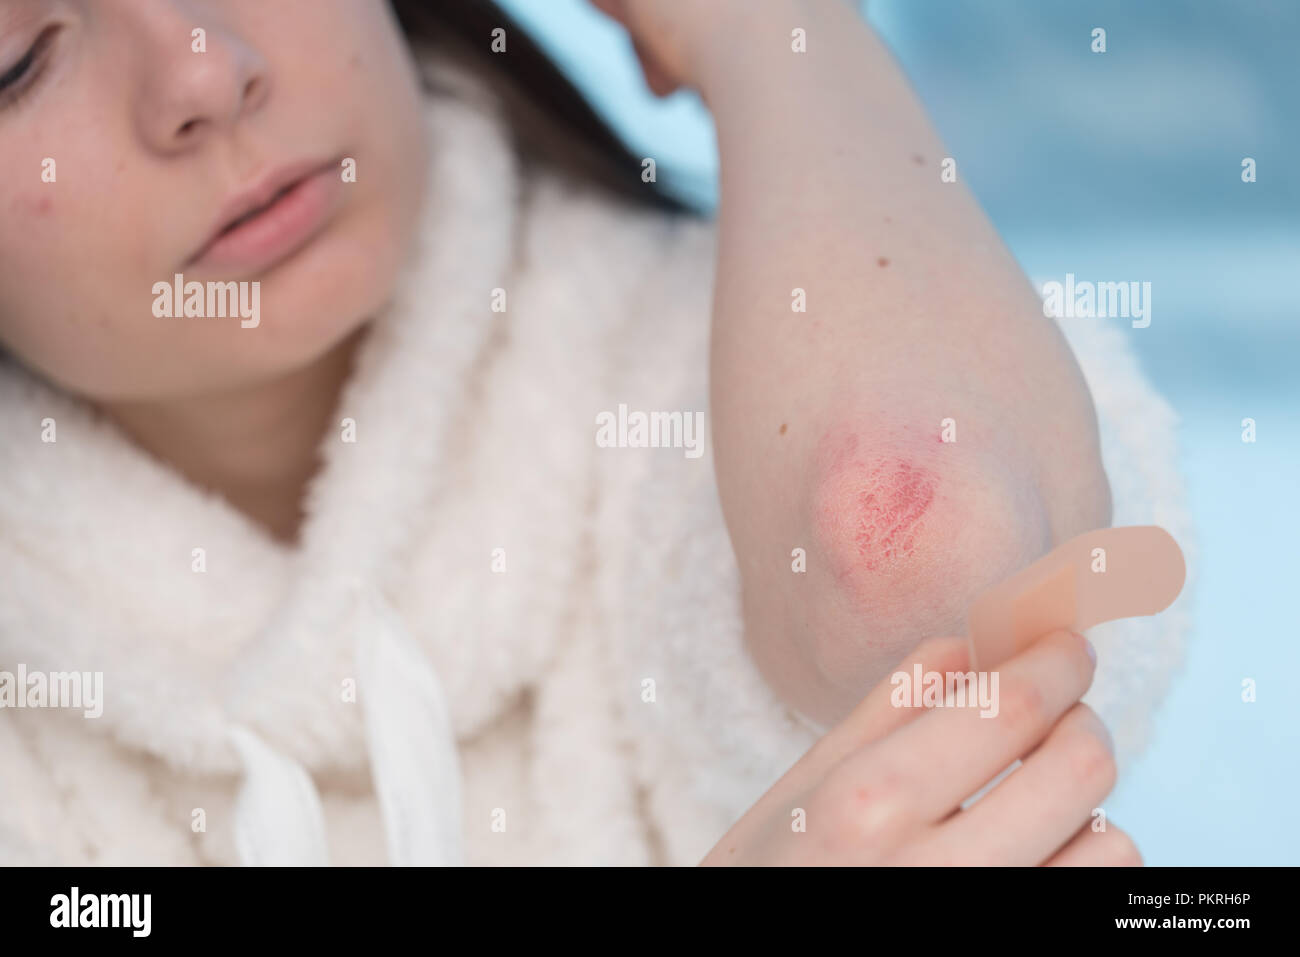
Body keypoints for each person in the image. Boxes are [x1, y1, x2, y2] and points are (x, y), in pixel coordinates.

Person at [0, 0, 1189, 866]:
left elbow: (920, 551)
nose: (206, 71)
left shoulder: (704, 385)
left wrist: (769, 33)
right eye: (20, 63)